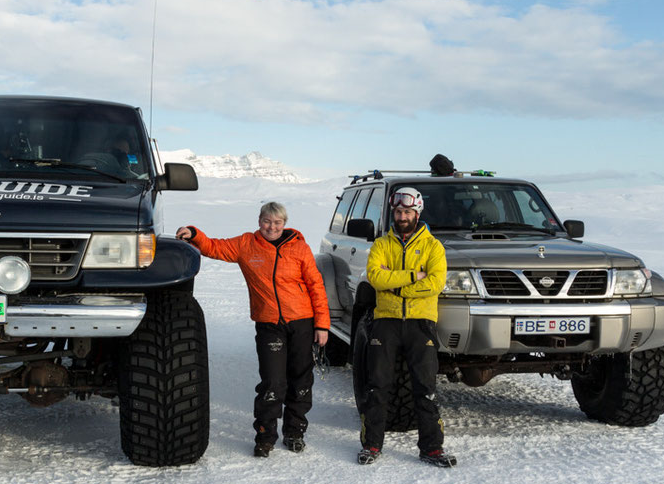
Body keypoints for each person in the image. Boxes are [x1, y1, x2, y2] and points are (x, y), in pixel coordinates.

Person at [176, 203, 330, 458]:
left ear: (284, 223)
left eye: (277, 222)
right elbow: (215, 247)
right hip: (269, 324)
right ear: (260, 221)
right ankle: (265, 436)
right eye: (268, 221)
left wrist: (322, 325)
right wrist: (194, 233)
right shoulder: (247, 244)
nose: (272, 227)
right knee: (272, 382)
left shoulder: (299, 248)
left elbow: (316, 286)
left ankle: (294, 432)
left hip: (302, 321)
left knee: (301, 379)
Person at [357, 187, 457, 467]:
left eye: (408, 212)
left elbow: (435, 283)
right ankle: (371, 445)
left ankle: (432, 448)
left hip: (420, 323)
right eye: (398, 212)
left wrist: (397, 287)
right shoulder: (381, 245)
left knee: (425, 388)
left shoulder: (433, 246)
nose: (402, 217)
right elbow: (376, 278)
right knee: (377, 386)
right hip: (385, 322)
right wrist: (414, 276)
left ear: (417, 213)